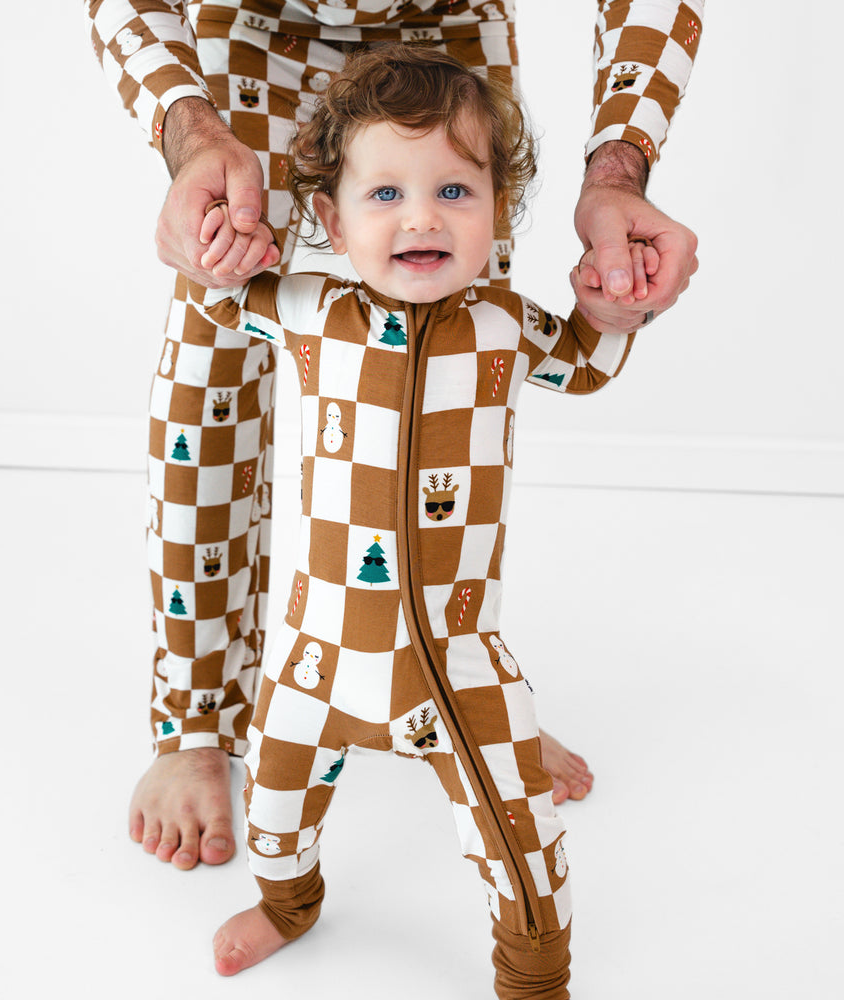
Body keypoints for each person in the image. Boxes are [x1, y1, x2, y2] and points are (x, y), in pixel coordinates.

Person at [85, 0, 701, 871]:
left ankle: (462, 698)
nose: (418, 214)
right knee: (211, 344)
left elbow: (571, 354)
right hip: (256, 23)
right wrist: (188, 134)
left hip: (448, 25)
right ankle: (195, 718)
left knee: (459, 342)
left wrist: (618, 176)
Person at [186, 44, 656, 995]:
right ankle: (289, 903)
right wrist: (215, 240)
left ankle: (535, 973)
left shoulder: (507, 327)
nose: (421, 217)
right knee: (274, 815)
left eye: (454, 190)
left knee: (521, 839)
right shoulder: (306, 310)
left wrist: (614, 307)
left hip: (456, 662)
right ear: (329, 217)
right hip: (315, 654)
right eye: (385, 194)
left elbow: (590, 364)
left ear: (498, 210)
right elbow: (218, 288)